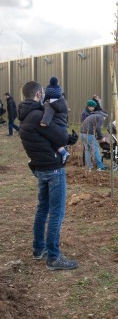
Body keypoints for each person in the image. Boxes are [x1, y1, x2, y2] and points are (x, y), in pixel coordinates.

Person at [18, 80, 79, 271]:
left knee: (42, 209)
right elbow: (60, 136)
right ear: (37, 95)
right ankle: (53, 257)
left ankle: (38, 249)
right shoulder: (38, 116)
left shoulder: (25, 116)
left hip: (40, 168)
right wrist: (70, 139)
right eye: (42, 93)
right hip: (53, 169)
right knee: (56, 213)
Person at [40, 77, 70, 164]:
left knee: (50, 141)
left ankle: (63, 153)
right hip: (63, 127)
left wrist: (39, 123)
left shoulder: (50, 105)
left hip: (56, 128)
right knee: (59, 143)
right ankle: (64, 152)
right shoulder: (63, 103)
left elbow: (45, 122)